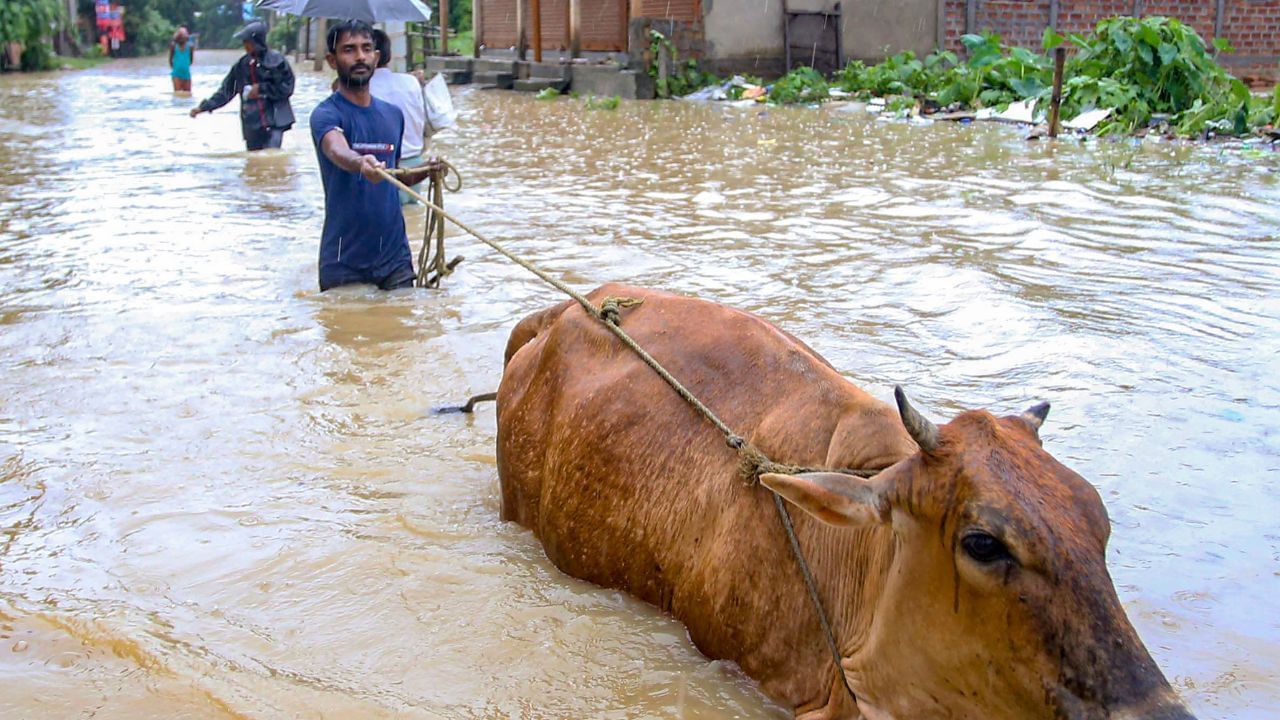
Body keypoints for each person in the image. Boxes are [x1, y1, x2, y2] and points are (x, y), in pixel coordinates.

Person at [309, 20, 437, 292]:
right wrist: (360, 162)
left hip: (394, 257)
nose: (359, 57)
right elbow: (336, 149)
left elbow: (396, 177)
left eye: (366, 49)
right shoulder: (326, 115)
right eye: (349, 50)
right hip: (344, 260)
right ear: (332, 60)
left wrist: (429, 169)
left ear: (376, 57)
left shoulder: (393, 114)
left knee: (405, 330)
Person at [189, 21, 295, 152]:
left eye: (248, 41)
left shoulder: (277, 61)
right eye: (244, 42)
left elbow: (287, 88)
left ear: (257, 42)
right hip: (252, 121)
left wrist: (262, 89)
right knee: (254, 161)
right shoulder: (241, 66)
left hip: (275, 120)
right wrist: (204, 107)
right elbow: (226, 92)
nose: (245, 45)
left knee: (271, 154)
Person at [368, 28, 433, 205]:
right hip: (416, 164)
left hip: (381, 168)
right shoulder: (410, 82)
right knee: (412, 218)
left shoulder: (362, 89)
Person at [169, 26, 194, 93]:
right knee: (177, 94)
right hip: (176, 74)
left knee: (187, 94)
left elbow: (191, 61)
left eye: (184, 36)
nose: (182, 39)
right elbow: (170, 60)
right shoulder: (174, 46)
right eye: (181, 36)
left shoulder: (190, 47)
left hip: (186, 74)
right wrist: (175, 68)